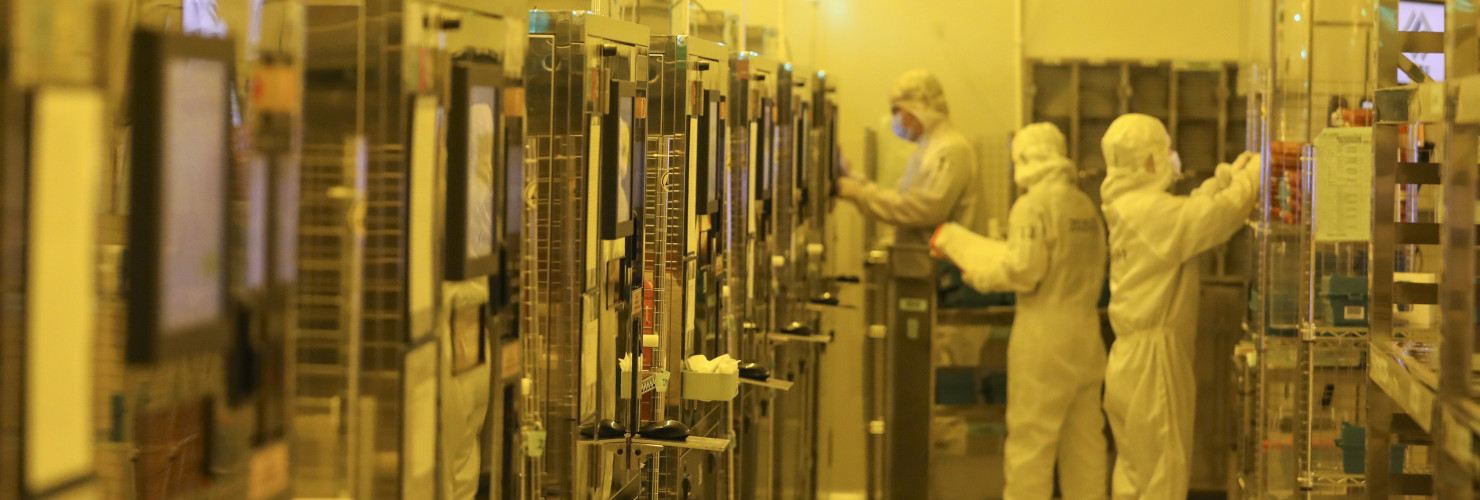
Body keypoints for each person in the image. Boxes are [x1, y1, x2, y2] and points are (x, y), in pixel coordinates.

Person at [930, 123, 1108, 500]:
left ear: (1026, 158)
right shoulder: (1085, 206)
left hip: (1044, 340)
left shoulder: (1032, 206)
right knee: (1086, 446)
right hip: (1087, 338)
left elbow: (1023, 271)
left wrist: (977, 274)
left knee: (1031, 446)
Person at [1097, 114, 1260, 499]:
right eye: (1166, 150)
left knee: (1138, 477)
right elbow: (1215, 217)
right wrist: (1255, 175)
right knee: (1161, 480)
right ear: (1150, 161)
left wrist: (1223, 179)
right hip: (1153, 365)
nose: (1173, 157)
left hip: (1133, 360)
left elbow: (1188, 217)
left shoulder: (1133, 207)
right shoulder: (1148, 213)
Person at [836, 69, 990, 244]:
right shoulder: (928, 148)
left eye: (896, 110)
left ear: (919, 107)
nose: (894, 118)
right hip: (928, 266)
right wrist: (854, 180)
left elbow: (922, 209)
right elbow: (905, 198)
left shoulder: (951, 149)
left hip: (945, 268)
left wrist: (862, 194)